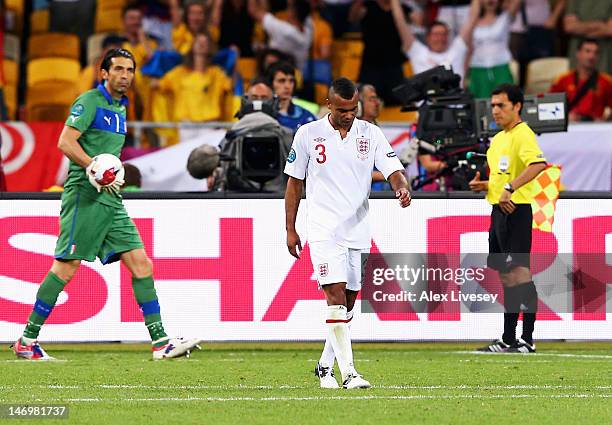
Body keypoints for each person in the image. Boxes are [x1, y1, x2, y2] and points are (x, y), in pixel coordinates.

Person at [11, 48, 200, 361]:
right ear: (104, 73)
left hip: (111, 198)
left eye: (130, 70)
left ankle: (160, 342)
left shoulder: (121, 109)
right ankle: (27, 340)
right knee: (65, 267)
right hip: (84, 197)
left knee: (141, 264)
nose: (125, 75)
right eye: (118, 69)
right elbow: (65, 142)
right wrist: (92, 167)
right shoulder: (89, 102)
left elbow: (106, 157)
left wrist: (110, 174)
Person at [284, 77, 411, 389]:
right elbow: (293, 183)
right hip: (324, 228)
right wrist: (291, 228)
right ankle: (350, 373)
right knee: (336, 295)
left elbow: (394, 169)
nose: (350, 115)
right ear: (329, 105)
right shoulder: (308, 134)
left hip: (358, 227)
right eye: (343, 110)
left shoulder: (371, 133)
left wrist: (401, 188)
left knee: (350, 301)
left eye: (354, 109)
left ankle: (325, 366)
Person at [469, 83, 547, 354]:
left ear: (517, 106)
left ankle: (527, 338)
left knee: (520, 274)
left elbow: (538, 164)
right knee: (507, 277)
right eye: (492, 105)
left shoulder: (522, 133)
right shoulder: (499, 137)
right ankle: (508, 338)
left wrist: (510, 188)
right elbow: (501, 177)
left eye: (501, 105)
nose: (495, 110)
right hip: (498, 211)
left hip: (517, 210)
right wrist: (487, 186)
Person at [390, 0, 480, 84]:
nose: (440, 38)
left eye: (444, 34)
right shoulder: (417, 51)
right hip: (427, 100)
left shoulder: (456, 50)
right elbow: (400, 21)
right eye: (436, 34)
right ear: (428, 37)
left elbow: (473, 17)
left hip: (455, 100)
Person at [154, 33, 232, 122]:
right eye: (198, 41)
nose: (201, 44)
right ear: (192, 46)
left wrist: (235, 59)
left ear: (210, 48)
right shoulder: (179, 72)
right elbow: (159, 84)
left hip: (210, 124)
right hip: (187, 124)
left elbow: (230, 86)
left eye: (205, 42)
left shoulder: (216, 73)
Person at [348, 0, 414, 105]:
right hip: (370, 64)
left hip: (394, 64)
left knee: (398, 101)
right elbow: (352, 18)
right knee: (366, 101)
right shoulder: (366, 6)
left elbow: (419, 23)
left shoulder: (402, 9)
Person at [467, 0, 521, 99]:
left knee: (506, 102)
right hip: (478, 68)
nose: (490, 1)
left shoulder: (505, 18)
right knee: (480, 106)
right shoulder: (472, 20)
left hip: (501, 67)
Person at [550, 38, 612, 122]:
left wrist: (605, 120)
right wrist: (565, 117)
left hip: (596, 127)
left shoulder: (607, 81)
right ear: (578, 53)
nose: (591, 56)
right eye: (587, 51)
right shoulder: (562, 80)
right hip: (569, 126)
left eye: (596, 53)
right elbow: (549, 108)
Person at [248, 0, 313, 71]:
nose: (287, 10)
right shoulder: (308, 31)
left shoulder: (285, 30)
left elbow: (254, 11)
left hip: (277, 75)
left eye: (289, 8)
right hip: (296, 77)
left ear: (293, 13)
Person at [564, 0, 612, 75]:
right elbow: (569, 27)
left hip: (604, 57)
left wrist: (580, 27)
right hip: (578, 58)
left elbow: (609, 30)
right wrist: (598, 25)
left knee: (603, 84)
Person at [266, 61, 316, 132]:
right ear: (270, 84)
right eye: (281, 81)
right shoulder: (263, 115)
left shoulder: (306, 116)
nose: (287, 86)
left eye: (291, 81)